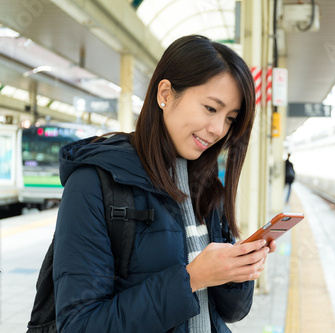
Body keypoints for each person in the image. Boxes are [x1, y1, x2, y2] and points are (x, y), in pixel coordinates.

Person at [53, 35, 277, 333]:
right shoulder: (93, 183)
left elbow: (232, 312)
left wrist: (238, 271)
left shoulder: (208, 189)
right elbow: (78, 325)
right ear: (166, 94)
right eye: (211, 108)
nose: (218, 130)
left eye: (230, 119)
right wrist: (192, 278)